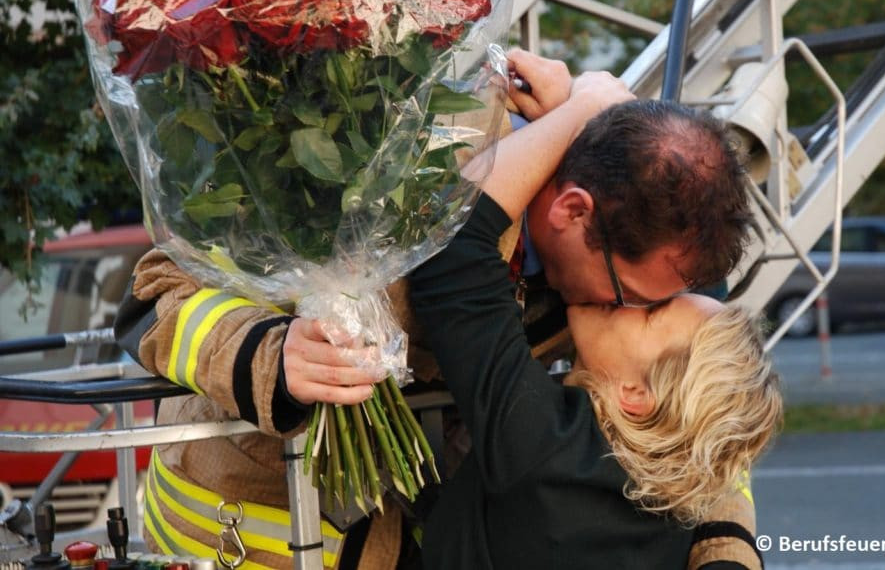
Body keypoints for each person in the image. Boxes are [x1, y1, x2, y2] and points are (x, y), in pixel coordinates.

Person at [115, 56, 763, 569]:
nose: (631, 309)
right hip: (240, 537)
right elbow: (153, 291)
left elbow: (707, 420)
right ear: (573, 212)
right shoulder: (386, 156)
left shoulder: (626, 270)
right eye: (634, 295)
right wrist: (268, 354)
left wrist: (725, 553)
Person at [399, 86, 783, 568]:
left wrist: (581, 109)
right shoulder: (675, 504)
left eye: (650, 309)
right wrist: (607, 137)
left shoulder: (548, 447)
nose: (624, 306)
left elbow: (455, 244)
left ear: (636, 395)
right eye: (640, 299)